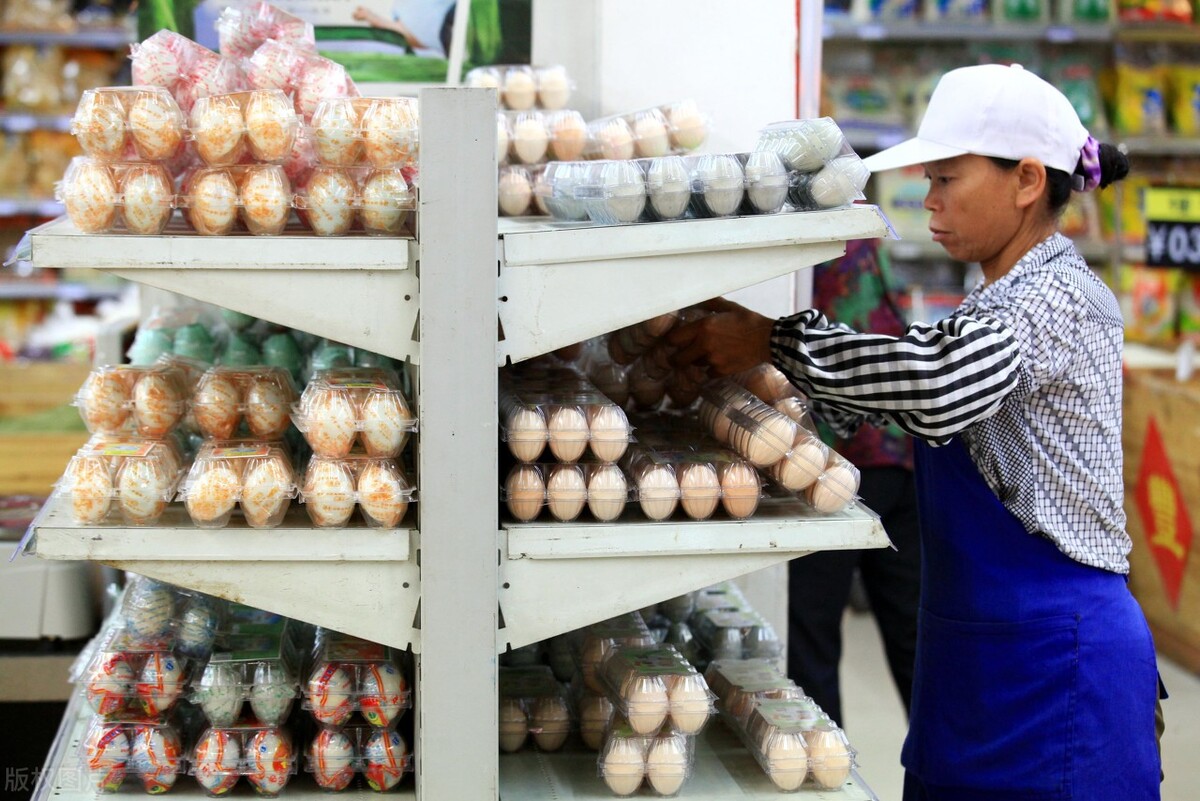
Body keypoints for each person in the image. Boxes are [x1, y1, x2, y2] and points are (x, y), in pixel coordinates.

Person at [669, 63, 1162, 800]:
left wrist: (776, 342)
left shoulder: (1058, 296)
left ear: (1028, 181)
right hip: (976, 663)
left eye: (947, 180)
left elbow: (936, 384)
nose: (928, 200)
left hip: (1058, 668)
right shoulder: (994, 292)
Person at [790, 238, 920, 729]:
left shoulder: (816, 232)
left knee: (812, 635)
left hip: (834, 464)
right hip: (900, 449)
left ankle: (822, 767)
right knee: (913, 634)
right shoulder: (868, 232)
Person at [354, 0, 457, 58]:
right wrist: (373, 18)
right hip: (446, 40)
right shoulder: (397, 9)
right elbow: (406, 35)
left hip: (458, 16)